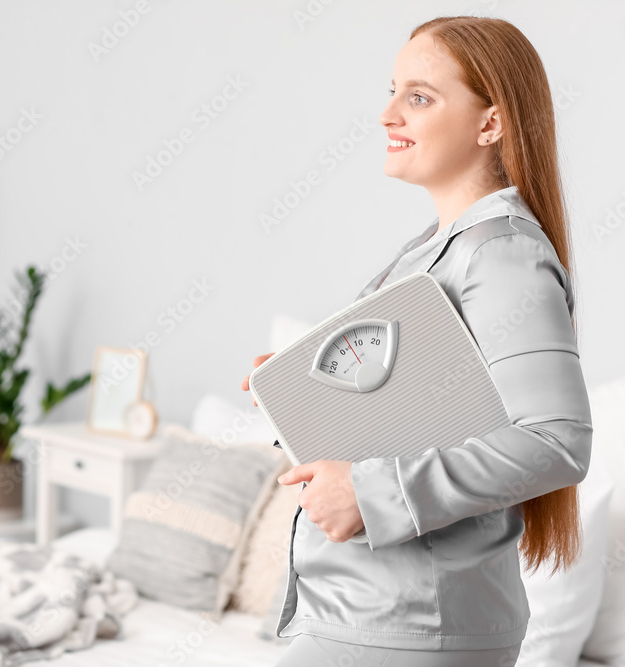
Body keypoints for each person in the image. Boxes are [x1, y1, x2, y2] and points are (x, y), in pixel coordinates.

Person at [240, 15, 593, 666]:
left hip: (410, 625)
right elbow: (425, 416)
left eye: (419, 97)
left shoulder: (502, 254)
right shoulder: (430, 255)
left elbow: (555, 441)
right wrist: (304, 396)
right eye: (392, 90)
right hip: (369, 615)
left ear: (491, 124)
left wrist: (367, 494)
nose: (387, 114)